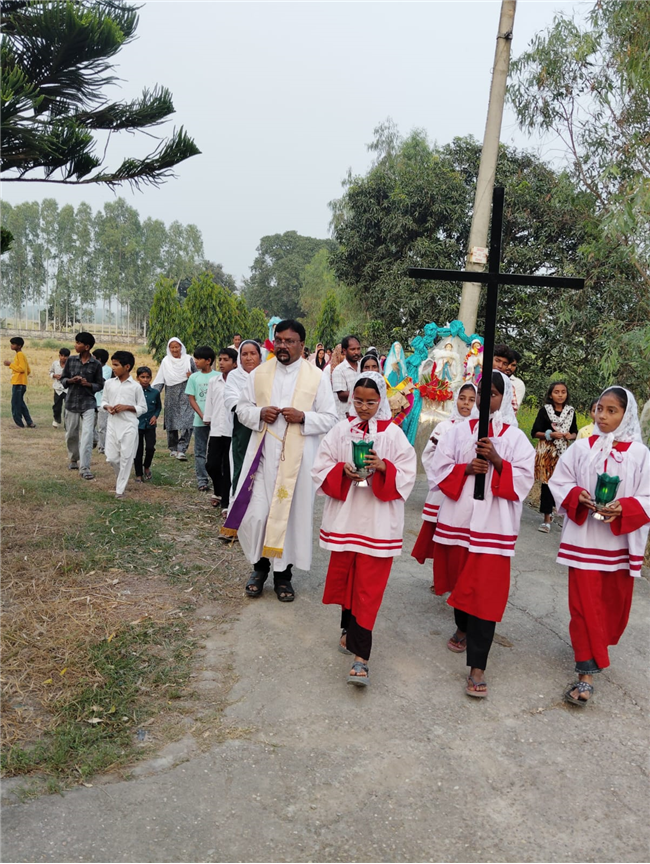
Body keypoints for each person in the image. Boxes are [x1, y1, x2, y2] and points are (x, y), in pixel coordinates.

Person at [429, 371, 535, 697]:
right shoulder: (458, 432)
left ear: (505, 399)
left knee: (485, 598)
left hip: (494, 527)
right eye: (481, 394)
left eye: (493, 394)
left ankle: (478, 666)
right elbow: (437, 468)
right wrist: (466, 468)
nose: (486, 401)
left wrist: (498, 461)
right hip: (460, 520)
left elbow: (525, 480)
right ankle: (462, 625)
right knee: (461, 587)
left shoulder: (515, 439)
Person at [313, 372, 417, 686]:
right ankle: (348, 632)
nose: (364, 407)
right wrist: (340, 470)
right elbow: (320, 465)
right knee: (348, 582)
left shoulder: (394, 434)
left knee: (368, 589)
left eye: (371, 402)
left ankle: (362, 659)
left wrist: (384, 467)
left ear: (382, 401)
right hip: (346, 518)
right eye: (358, 400)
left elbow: (408, 474)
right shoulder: (341, 430)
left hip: (378, 522)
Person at [548, 387, 649, 706]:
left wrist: (626, 507)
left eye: (611, 411)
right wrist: (576, 493)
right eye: (598, 409)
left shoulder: (640, 454)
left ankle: (595, 645)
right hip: (584, 541)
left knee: (609, 607)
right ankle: (585, 674)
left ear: (626, 415)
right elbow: (558, 480)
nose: (602, 416)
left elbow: (648, 496)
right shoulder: (581, 448)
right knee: (583, 606)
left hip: (619, 542)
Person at [223, 319, 337, 602]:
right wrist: (260, 413)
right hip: (262, 459)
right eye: (279, 340)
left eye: (289, 341)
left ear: (301, 344)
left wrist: (304, 417)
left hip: (297, 463)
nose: (283, 345)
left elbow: (331, 418)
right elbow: (242, 409)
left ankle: (283, 576)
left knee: (288, 518)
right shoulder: (259, 374)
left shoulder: (318, 377)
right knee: (257, 516)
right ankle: (258, 569)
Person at [411, 383, 478, 591]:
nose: (466, 404)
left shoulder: (479, 430)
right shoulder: (444, 427)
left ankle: (460, 581)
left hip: (467, 493)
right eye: (462, 398)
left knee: (463, 541)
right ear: (455, 399)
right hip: (443, 491)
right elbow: (429, 455)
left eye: (471, 400)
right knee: (441, 540)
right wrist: (442, 477)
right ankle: (440, 580)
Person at [531, 381, 578, 533]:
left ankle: (559, 512)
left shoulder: (570, 412)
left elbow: (574, 432)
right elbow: (535, 432)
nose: (560, 395)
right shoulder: (545, 411)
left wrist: (569, 435)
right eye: (556, 392)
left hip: (563, 452)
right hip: (547, 452)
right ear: (551, 394)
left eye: (563, 392)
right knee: (547, 484)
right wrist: (550, 434)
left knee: (562, 483)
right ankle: (546, 519)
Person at [100, 351, 146, 498]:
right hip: (113, 424)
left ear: (127, 367)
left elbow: (143, 408)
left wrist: (127, 407)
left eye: (116, 365)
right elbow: (103, 401)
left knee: (126, 457)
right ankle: (121, 478)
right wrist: (108, 407)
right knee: (112, 457)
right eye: (112, 365)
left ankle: (120, 490)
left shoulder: (135, 387)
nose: (113, 368)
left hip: (129, 425)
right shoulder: (108, 383)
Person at [61, 332, 105, 478]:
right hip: (71, 402)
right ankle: (74, 458)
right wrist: (71, 381)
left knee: (87, 436)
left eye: (78, 343)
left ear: (87, 347)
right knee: (71, 435)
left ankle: (85, 468)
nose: (75, 345)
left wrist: (88, 384)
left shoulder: (96, 364)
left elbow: (100, 384)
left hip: (88, 403)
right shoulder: (71, 360)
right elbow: (63, 379)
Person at [224, 340, 263, 497]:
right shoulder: (234, 376)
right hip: (243, 427)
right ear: (239, 358)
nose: (248, 358)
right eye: (244, 354)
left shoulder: (268, 375)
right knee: (241, 464)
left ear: (260, 356)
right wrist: (252, 408)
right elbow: (230, 399)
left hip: (266, 425)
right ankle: (237, 503)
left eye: (253, 354)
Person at [204, 347, 238, 511]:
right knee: (211, 465)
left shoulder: (240, 382)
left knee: (228, 466)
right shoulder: (214, 381)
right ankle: (218, 490)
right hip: (217, 428)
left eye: (226, 360)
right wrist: (207, 418)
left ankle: (225, 502)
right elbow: (210, 401)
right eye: (221, 359)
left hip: (232, 430)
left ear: (234, 363)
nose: (222, 363)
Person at [152, 337, 196, 461]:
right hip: (171, 395)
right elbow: (160, 379)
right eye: (172, 347)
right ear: (169, 348)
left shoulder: (189, 360)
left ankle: (182, 449)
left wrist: (191, 376)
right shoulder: (166, 361)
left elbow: (198, 376)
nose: (175, 349)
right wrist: (152, 394)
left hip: (186, 394)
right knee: (172, 422)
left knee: (188, 421)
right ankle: (173, 448)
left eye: (177, 346)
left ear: (181, 347)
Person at [185, 346, 219, 491]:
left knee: (216, 450)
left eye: (198, 359)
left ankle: (217, 477)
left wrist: (213, 416)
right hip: (199, 421)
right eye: (195, 358)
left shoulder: (218, 376)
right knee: (200, 451)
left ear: (208, 361)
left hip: (217, 421)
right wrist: (202, 415)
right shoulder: (193, 377)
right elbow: (192, 399)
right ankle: (202, 480)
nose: (195, 361)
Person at [134, 366, 161, 483]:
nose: (145, 380)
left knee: (150, 448)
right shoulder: (134, 392)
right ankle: (138, 475)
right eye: (142, 377)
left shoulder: (155, 393)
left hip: (150, 426)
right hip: (137, 425)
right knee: (138, 450)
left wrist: (155, 416)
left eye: (147, 377)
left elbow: (158, 407)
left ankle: (147, 466)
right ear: (137, 378)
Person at [4, 337, 35, 428]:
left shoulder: (19, 355)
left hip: (18, 383)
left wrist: (10, 364)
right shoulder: (22, 355)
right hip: (22, 382)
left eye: (13, 344)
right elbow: (27, 370)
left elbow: (22, 369)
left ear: (19, 346)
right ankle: (29, 422)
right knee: (20, 403)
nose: (11, 345)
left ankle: (19, 422)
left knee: (16, 403)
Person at [331, 335, 362, 419]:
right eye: (353, 349)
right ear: (344, 351)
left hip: (361, 415)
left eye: (358, 349)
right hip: (345, 417)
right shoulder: (339, 370)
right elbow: (342, 396)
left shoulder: (362, 367)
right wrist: (364, 394)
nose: (356, 352)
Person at [92, 348, 112, 452]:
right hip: (93, 400)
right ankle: (95, 440)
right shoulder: (93, 368)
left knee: (102, 426)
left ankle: (103, 446)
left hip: (102, 402)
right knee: (90, 425)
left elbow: (101, 381)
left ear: (99, 359)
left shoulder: (107, 370)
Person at [49, 347, 70, 428]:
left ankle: (67, 423)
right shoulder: (55, 364)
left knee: (67, 407)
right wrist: (54, 375)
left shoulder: (70, 365)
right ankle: (56, 419)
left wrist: (65, 378)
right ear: (59, 355)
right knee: (57, 406)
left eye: (65, 356)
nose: (63, 358)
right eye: (61, 356)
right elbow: (50, 372)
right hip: (57, 388)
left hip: (67, 389)